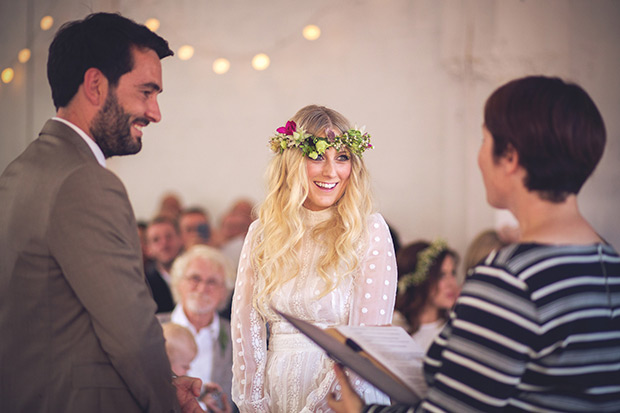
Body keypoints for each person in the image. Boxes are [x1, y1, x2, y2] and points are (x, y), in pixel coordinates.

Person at [328, 76, 620, 412]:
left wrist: (362, 411)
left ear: (509, 156)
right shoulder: (608, 263)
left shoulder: (510, 280)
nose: (479, 156)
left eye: (484, 139)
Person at [0, 12, 203, 412]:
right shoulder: (85, 182)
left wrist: (165, 381)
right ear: (95, 85)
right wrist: (166, 403)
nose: (155, 112)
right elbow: (131, 332)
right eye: (146, 92)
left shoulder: (20, 170)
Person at [231, 105, 398, 412]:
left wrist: (319, 407)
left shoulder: (369, 230)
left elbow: (367, 341)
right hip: (275, 394)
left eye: (342, 157)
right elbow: (245, 327)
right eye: (317, 155)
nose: (331, 171)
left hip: (345, 398)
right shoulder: (262, 233)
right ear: (293, 162)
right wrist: (253, 403)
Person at [169, 245, 238, 411]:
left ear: (224, 292)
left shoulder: (237, 337)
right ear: (178, 283)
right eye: (195, 278)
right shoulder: (153, 329)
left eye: (212, 282)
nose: (202, 289)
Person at [394, 240, 460, 351]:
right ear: (420, 280)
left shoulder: (454, 330)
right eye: (441, 275)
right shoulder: (394, 325)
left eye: (453, 273)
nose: (451, 283)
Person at [146, 215, 184, 313]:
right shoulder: (144, 284)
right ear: (148, 249)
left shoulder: (198, 276)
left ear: (180, 239)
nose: (164, 243)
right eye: (156, 240)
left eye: (169, 237)